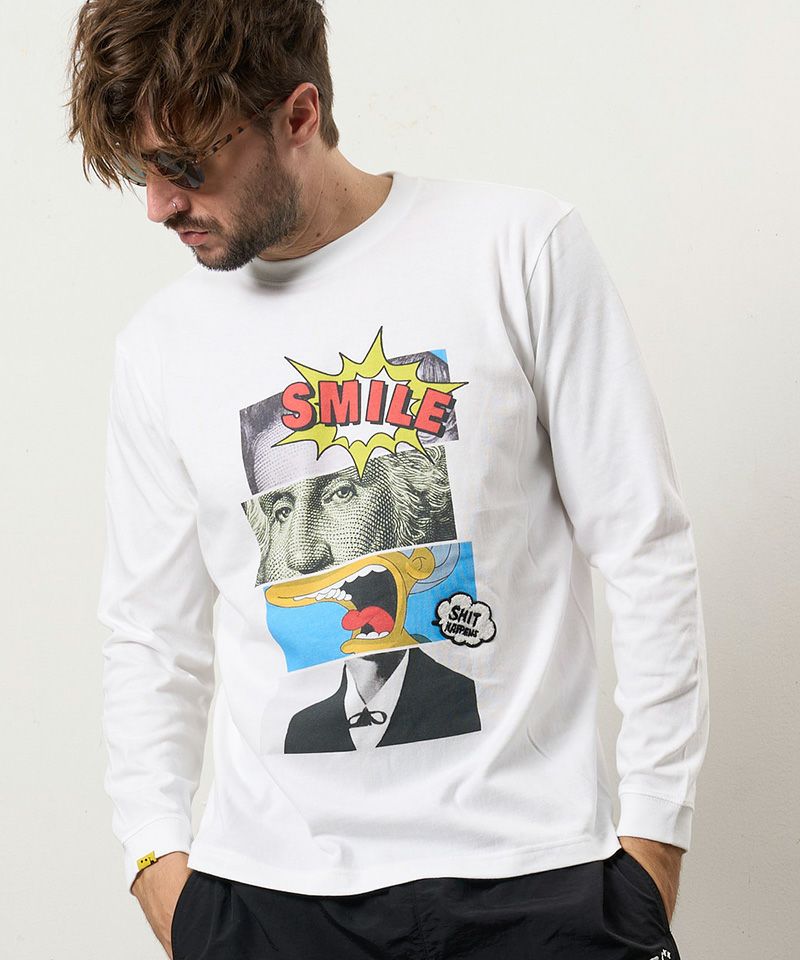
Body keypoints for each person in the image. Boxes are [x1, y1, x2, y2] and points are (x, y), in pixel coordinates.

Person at [66, 1, 710, 958]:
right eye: (141, 171)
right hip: (270, 900)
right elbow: (150, 632)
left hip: (536, 877)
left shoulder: (517, 248)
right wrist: (157, 861)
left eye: (185, 167)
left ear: (298, 116)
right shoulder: (161, 348)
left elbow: (644, 543)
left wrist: (653, 840)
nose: (159, 206)